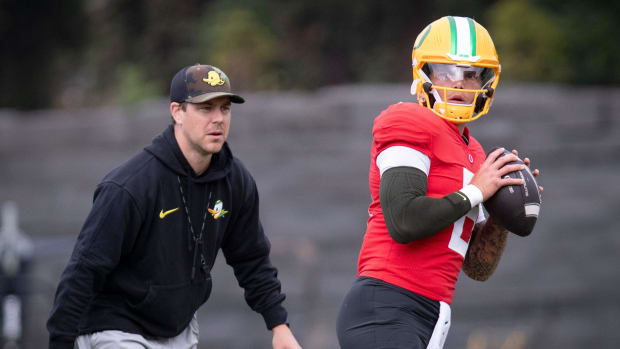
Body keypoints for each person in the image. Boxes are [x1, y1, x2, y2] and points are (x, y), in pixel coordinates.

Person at [47, 64, 302, 349]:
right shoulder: (132, 186)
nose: (218, 119)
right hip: (115, 328)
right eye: (205, 109)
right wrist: (60, 342)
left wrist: (279, 326)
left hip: (177, 331)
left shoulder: (235, 181)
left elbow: (252, 260)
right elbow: (84, 271)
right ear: (177, 112)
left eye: (225, 108)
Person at [336, 16, 542, 349]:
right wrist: (477, 191)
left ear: (486, 82)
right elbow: (403, 220)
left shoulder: (475, 152)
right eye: (447, 72)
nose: (459, 84)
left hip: (430, 312)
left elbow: (476, 267)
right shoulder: (408, 120)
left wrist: (502, 215)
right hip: (386, 304)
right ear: (425, 75)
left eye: (471, 74)